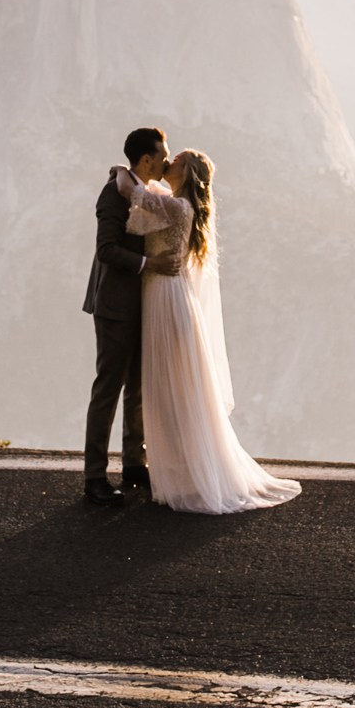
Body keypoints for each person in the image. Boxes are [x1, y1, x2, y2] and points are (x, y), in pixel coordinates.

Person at [113, 149, 302, 515]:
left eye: (177, 159)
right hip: (160, 294)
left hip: (167, 298)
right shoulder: (174, 202)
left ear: (188, 171)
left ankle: (189, 473)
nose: (170, 162)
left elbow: (127, 189)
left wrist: (121, 167)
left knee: (174, 386)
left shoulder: (179, 207)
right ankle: (180, 470)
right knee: (167, 385)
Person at [82, 126, 165, 506]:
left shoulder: (138, 188)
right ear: (145, 159)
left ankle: (134, 463)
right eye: (161, 155)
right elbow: (107, 250)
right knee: (108, 390)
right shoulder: (112, 195)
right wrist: (150, 263)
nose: (166, 160)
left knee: (138, 388)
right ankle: (95, 476)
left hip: (140, 306)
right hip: (115, 307)